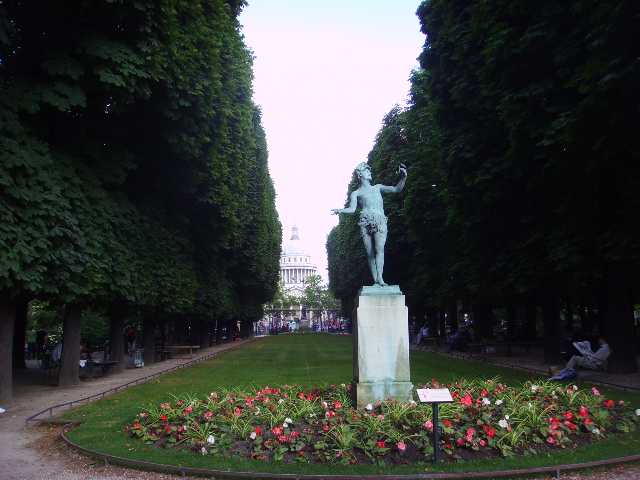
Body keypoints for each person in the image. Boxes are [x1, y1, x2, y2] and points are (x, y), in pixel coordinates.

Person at [332, 162, 407, 286]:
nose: (370, 173)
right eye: (367, 171)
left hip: (379, 219)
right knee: (369, 252)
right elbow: (352, 209)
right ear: (361, 174)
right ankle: (375, 279)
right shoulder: (356, 193)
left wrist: (403, 177)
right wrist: (340, 210)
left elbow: (397, 189)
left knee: (379, 248)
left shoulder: (377, 187)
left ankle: (380, 278)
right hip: (365, 221)